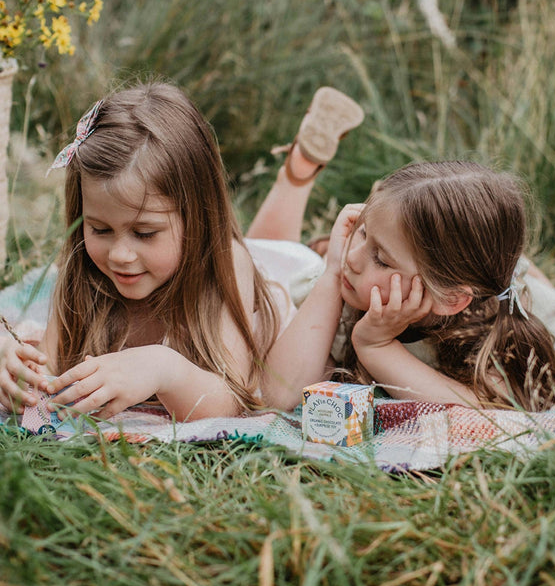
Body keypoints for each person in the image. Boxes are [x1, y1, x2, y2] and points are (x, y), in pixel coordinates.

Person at [0, 82, 364, 420]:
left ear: (198, 219)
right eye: (100, 229)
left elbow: (229, 401)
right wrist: (18, 371)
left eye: (144, 233)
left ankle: (298, 174)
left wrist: (162, 367)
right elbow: (47, 368)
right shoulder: (83, 268)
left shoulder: (226, 264)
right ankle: (299, 168)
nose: (120, 255)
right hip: (240, 257)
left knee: (285, 258)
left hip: (288, 290)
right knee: (265, 247)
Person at [249, 153, 555, 411]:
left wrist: (376, 346)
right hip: (442, 277)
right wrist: (332, 270)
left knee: (545, 293)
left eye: (381, 258)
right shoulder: (347, 285)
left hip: (519, 300)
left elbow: (492, 413)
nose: (353, 257)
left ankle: (524, 268)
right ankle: (303, 186)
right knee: (283, 257)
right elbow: (278, 392)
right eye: (361, 231)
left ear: (450, 300)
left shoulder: (495, 339)